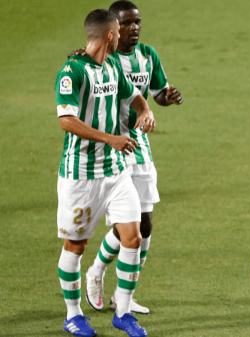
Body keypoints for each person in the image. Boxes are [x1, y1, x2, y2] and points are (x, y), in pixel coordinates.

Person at [68, 0, 183, 316]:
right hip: (109, 151)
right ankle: (97, 271)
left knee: (144, 225)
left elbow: (157, 92)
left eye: (137, 22)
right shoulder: (102, 58)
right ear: (112, 30)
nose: (133, 28)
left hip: (139, 146)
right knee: (127, 222)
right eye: (126, 24)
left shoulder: (148, 55)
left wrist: (167, 98)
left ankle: (124, 295)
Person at [55, 9, 154, 337]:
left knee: (133, 236)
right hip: (80, 175)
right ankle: (73, 315)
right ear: (110, 35)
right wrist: (111, 137)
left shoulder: (112, 67)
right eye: (119, 32)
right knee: (76, 246)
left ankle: (122, 312)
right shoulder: (73, 71)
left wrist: (146, 110)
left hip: (115, 171)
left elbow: (134, 96)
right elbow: (66, 120)